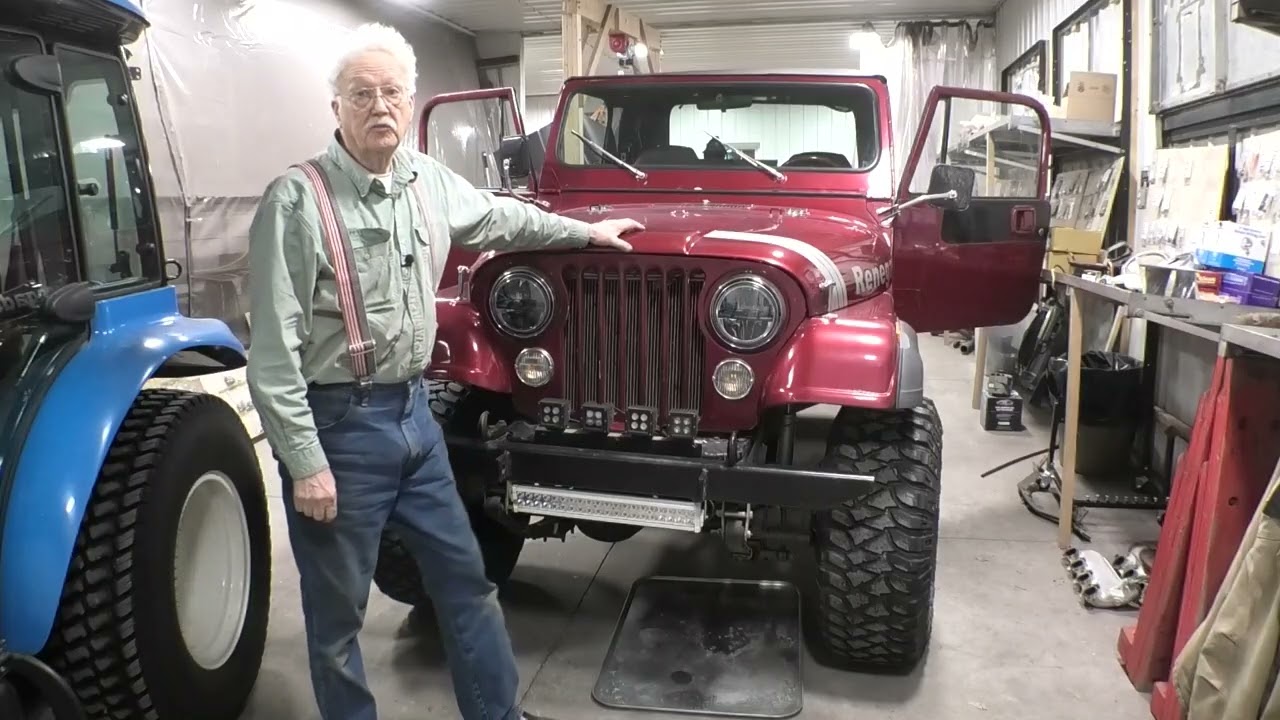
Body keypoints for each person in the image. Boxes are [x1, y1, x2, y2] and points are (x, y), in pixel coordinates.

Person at [244, 22, 642, 720]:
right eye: (361, 93)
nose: (380, 106)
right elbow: (273, 356)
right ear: (334, 106)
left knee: (467, 586)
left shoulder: (427, 180)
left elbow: (501, 219)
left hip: (414, 420)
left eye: (392, 91)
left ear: (412, 97)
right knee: (338, 623)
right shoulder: (297, 201)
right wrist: (305, 462)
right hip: (340, 430)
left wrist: (587, 232)